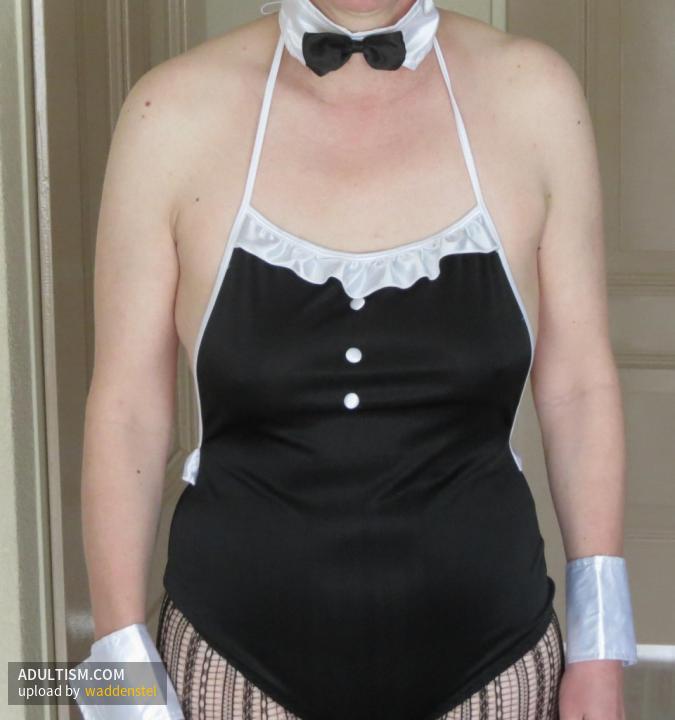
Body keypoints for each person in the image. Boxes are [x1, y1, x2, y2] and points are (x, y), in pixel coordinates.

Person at [77, 1, 638, 719]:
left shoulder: (534, 94)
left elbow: (579, 386)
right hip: (228, 675)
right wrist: (120, 693)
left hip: (496, 673)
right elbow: (125, 410)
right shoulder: (169, 111)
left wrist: (599, 650)